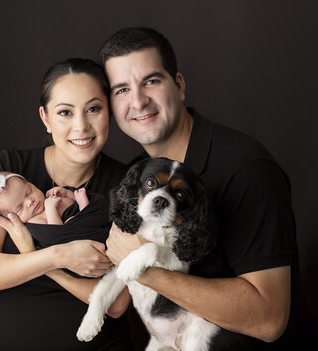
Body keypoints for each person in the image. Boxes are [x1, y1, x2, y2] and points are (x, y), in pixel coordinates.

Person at [100, 27, 297, 349]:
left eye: (151, 81)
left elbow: (269, 319)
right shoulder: (138, 177)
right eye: (121, 89)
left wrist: (144, 267)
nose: (138, 101)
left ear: (178, 86)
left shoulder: (247, 169)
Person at [0, 58, 133, 350]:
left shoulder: (128, 183)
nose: (81, 126)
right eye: (65, 112)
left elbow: (117, 304)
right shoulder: (7, 171)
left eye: (93, 109)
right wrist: (58, 256)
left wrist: (45, 262)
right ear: (45, 117)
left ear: (109, 111)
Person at [0, 171, 90, 224]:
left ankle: (85, 209)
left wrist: (66, 193)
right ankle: (85, 210)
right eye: (20, 208)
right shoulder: (35, 221)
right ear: (11, 218)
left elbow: (72, 202)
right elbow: (57, 235)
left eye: (29, 192)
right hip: (76, 237)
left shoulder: (48, 199)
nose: (30, 201)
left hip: (87, 215)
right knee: (71, 222)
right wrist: (51, 209)